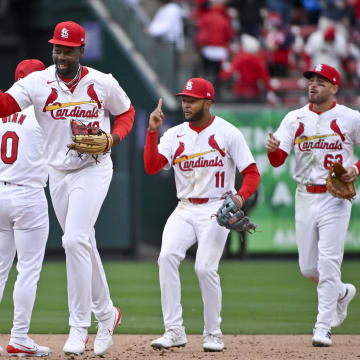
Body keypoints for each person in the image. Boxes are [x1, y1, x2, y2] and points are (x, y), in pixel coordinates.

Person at [0, 21, 135, 356]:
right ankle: (107, 315)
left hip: (93, 168)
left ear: (81, 50)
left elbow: (127, 112)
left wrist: (112, 138)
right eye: (56, 48)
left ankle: (79, 328)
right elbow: (5, 107)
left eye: (67, 49)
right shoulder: (37, 82)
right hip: (57, 173)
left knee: (73, 239)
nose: (60, 54)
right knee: (82, 241)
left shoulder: (102, 82)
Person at [144, 78, 260, 352]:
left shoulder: (227, 132)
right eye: (184, 99)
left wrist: (240, 197)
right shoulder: (174, 134)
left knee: (205, 268)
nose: (186, 104)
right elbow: (152, 166)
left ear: (208, 102)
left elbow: (252, 173)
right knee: (167, 257)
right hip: (184, 207)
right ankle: (174, 331)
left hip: (216, 207)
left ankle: (213, 333)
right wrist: (152, 132)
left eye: (192, 100)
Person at [266, 63, 357, 347]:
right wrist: (273, 151)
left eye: (320, 81)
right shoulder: (294, 118)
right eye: (310, 80)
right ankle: (341, 293)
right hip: (304, 196)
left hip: (335, 198)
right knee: (308, 268)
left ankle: (323, 327)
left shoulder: (350, 118)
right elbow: (278, 159)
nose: (313, 85)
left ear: (334, 87)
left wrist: (356, 166)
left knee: (329, 263)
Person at [0, 59, 49, 357]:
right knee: (27, 271)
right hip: (29, 195)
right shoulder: (43, 112)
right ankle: (19, 337)